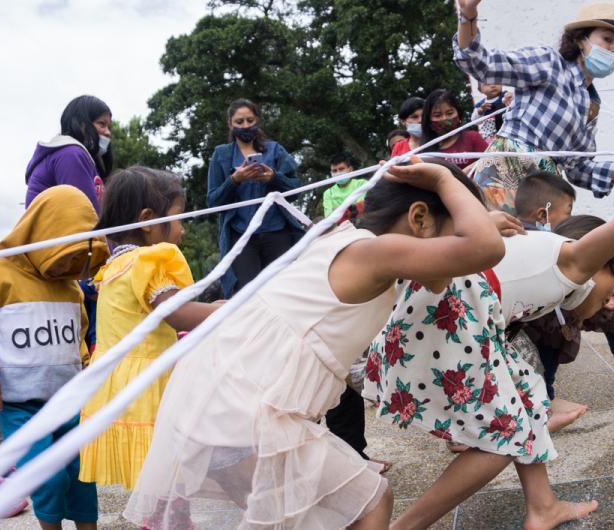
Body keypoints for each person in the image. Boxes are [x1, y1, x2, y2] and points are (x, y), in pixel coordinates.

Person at [123, 157, 506, 530]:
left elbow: (456, 261)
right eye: (451, 232)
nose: (449, 252)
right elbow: (485, 248)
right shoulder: (376, 251)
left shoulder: (342, 238)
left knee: (320, 512)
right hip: (246, 411)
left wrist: (475, 217)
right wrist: (442, 179)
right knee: (371, 502)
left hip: (222, 402)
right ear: (419, 218)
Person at [367, 201, 614, 528]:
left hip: (445, 321)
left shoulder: (544, 257)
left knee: (527, 392)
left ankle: (542, 506)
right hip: (453, 326)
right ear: (601, 262)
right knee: (503, 439)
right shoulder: (572, 259)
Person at [0, 186, 110, 530]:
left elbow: (76, 339)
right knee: (45, 479)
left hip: (68, 402)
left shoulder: (70, 286)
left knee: (82, 477)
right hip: (20, 406)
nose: (75, 267)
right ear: (47, 234)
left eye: (84, 260)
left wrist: (89, 373)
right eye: (70, 255)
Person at [79, 167, 224, 499]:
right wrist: (229, 309)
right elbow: (179, 315)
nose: (183, 231)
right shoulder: (150, 259)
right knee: (167, 479)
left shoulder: (115, 265)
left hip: (119, 386)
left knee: (156, 487)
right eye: (177, 218)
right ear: (147, 220)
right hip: (150, 388)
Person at [453, 0, 614, 213]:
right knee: (498, 245)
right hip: (506, 171)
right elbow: (483, 65)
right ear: (580, 40)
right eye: (607, 39)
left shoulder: (591, 105)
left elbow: (578, 169)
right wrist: (467, 16)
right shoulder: (549, 63)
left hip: (546, 190)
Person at [511, 173, 614, 424]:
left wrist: (600, 299)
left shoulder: (559, 244)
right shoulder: (532, 246)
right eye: (568, 212)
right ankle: (545, 397)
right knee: (551, 334)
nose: (571, 218)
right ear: (543, 215)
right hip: (515, 328)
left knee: (611, 308)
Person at [25, 95, 114, 354]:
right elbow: (85, 219)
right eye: (101, 124)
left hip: (76, 261)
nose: (108, 133)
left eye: (110, 126)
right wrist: (108, 267)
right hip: (69, 261)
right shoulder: (71, 154)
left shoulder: (77, 155)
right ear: (82, 125)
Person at [207, 98, 305, 298]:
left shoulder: (275, 150)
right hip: (241, 236)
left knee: (284, 292)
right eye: (239, 122)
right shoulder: (221, 154)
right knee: (246, 295)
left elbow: (296, 191)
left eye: (250, 120)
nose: (245, 126)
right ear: (230, 125)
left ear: (257, 120)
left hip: (278, 232)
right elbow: (213, 202)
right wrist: (234, 180)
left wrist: (273, 177)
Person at [418, 89, 489, 170]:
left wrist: (467, 170)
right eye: (437, 115)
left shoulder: (473, 138)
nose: (444, 118)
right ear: (428, 119)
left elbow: (492, 163)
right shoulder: (423, 148)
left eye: (449, 113)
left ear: (458, 113)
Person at [323, 154, 368, 219]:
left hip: (360, 227)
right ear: (331, 173)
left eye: (341, 169)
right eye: (334, 171)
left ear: (350, 170)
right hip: (340, 229)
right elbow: (329, 220)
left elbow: (360, 211)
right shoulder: (328, 193)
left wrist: (338, 211)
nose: (338, 173)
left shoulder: (361, 184)